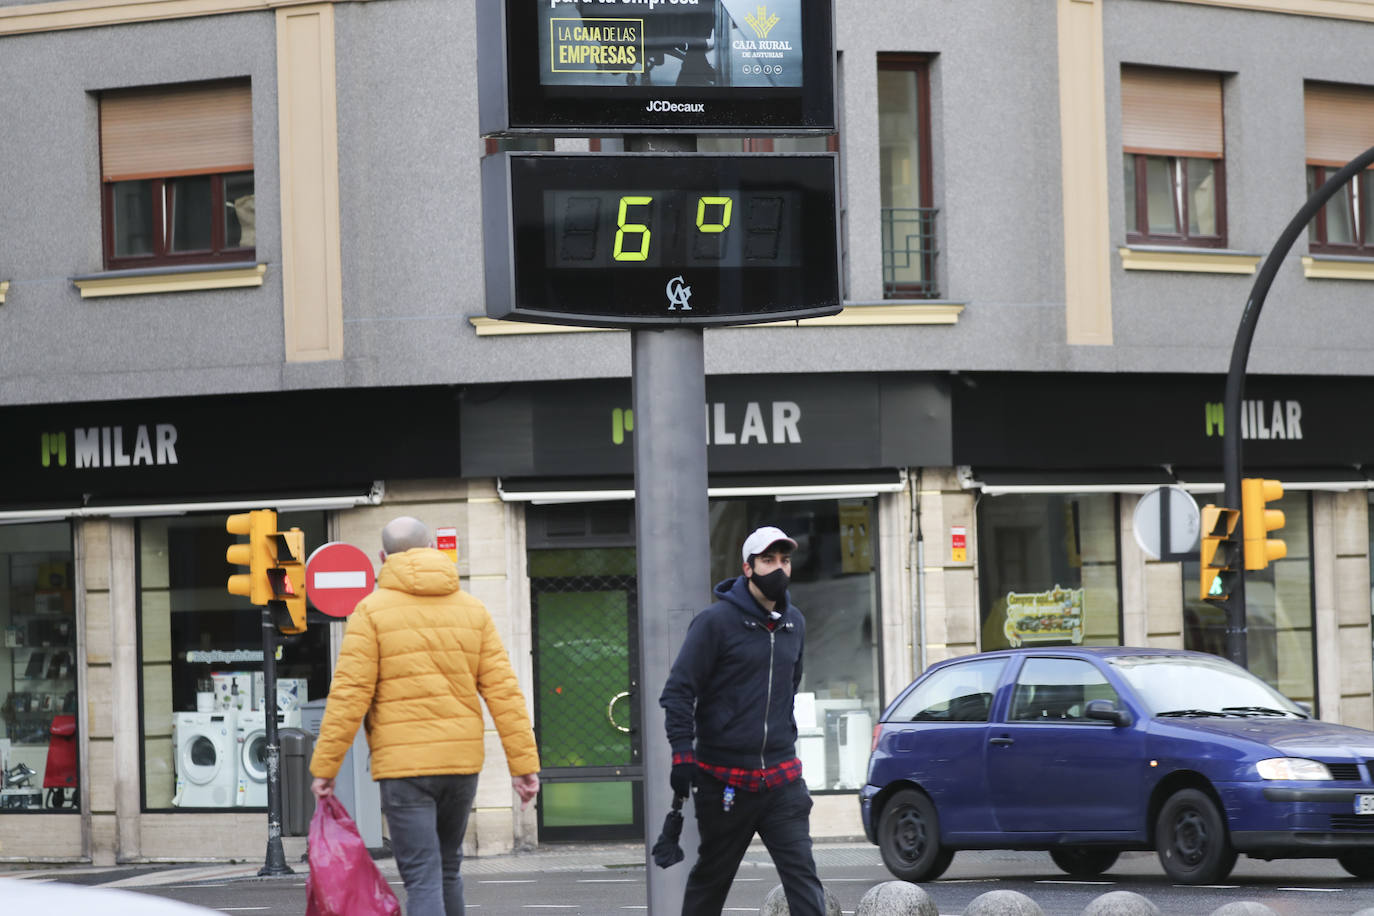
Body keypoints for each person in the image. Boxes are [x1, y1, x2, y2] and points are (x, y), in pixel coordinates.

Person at [310, 516, 540, 916]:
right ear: (433, 549)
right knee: (448, 868)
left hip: (403, 769)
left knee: (421, 876)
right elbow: (504, 691)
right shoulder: (472, 610)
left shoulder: (370, 612)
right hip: (460, 764)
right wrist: (524, 767)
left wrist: (325, 768)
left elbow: (350, 694)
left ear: (382, 557)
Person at [659, 525, 826, 916]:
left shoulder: (794, 623)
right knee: (711, 883)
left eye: (785, 560)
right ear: (748, 568)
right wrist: (683, 755)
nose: (779, 569)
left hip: (783, 783)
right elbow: (678, 692)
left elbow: (790, 686)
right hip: (726, 784)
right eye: (768, 560)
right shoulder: (715, 623)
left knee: (804, 882)